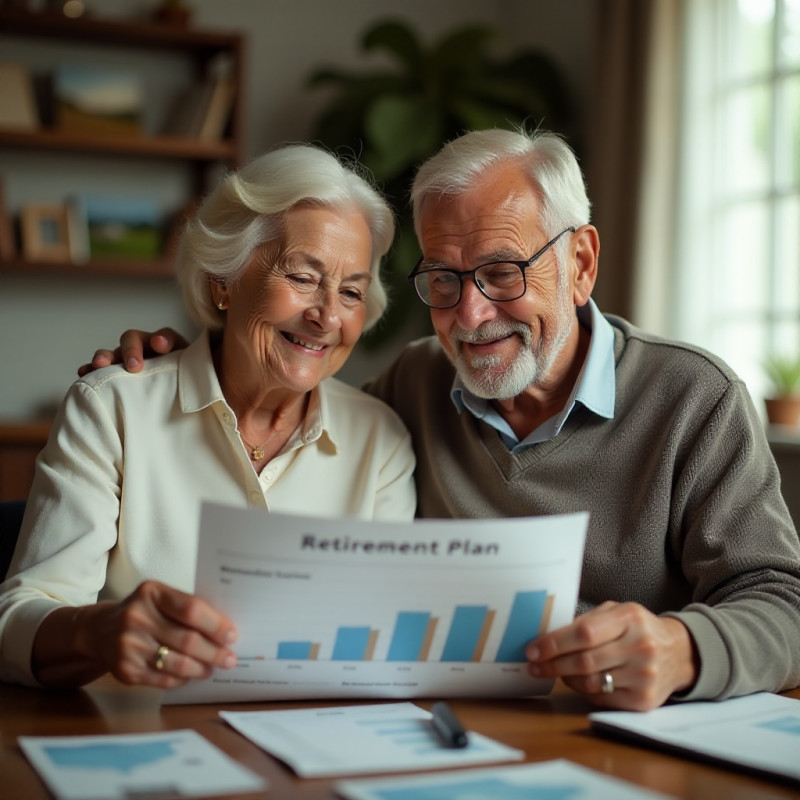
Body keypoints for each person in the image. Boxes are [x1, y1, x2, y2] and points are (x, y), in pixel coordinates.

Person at [75, 128, 800, 712]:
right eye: (443, 279)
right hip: (461, 733)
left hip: (628, 739)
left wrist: (685, 650)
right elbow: (294, 377)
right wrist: (178, 357)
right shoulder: (413, 385)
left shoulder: (693, 398)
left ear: (580, 262)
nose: (471, 313)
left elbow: (783, 600)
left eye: (502, 271)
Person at [0, 144, 416, 691]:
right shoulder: (112, 408)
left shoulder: (380, 440)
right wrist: (98, 632)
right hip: (142, 738)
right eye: (303, 276)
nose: (326, 316)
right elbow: (16, 622)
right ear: (223, 280)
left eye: (352, 291)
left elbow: (383, 642)